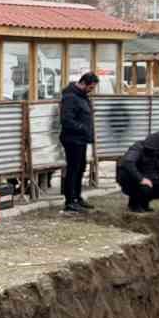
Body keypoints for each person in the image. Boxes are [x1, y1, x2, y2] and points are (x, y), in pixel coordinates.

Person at [58, 72, 98, 214]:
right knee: (73, 170)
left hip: (81, 139)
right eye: (91, 87)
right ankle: (70, 201)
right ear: (83, 83)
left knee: (80, 168)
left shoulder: (82, 96)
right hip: (72, 139)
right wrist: (83, 128)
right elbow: (66, 120)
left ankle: (77, 197)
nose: (91, 90)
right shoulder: (70, 97)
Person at [116, 131, 159, 213]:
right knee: (145, 187)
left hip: (151, 177)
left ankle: (144, 203)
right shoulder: (138, 147)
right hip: (131, 178)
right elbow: (128, 163)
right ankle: (134, 204)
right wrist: (141, 179)